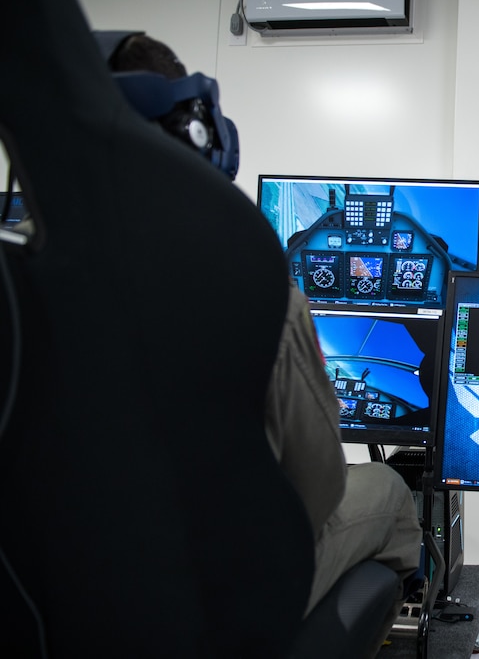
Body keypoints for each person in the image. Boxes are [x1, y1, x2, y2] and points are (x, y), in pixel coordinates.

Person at [106, 32, 422, 617]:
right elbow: (318, 490)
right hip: (207, 597)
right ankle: (417, 625)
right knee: (387, 486)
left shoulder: (20, 287)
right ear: (202, 137)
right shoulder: (253, 290)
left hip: (56, 587)